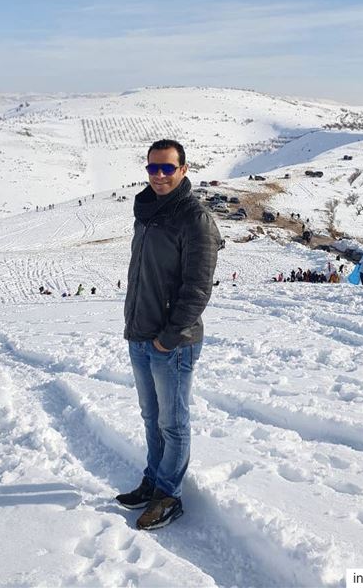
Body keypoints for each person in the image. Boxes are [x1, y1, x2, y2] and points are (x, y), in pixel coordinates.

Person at [117, 139, 221, 531]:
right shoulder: (146, 212)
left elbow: (197, 288)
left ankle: (168, 496)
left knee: (173, 423)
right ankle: (153, 480)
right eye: (152, 168)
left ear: (183, 169)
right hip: (140, 334)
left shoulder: (194, 218)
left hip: (172, 342)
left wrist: (170, 336)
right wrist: (136, 330)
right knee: (151, 417)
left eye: (167, 168)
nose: (159, 176)